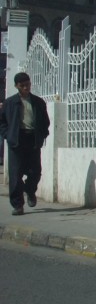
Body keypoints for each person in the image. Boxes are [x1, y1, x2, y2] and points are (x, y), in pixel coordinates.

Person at [1, 72, 51, 216]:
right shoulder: (10, 103)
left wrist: (42, 135)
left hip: (32, 139)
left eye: (27, 84)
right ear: (17, 86)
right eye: (22, 85)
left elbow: (45, 122)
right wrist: (7, 135)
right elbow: (2, 122)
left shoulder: (38, 102)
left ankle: (29, 190)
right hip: (16, 140)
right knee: (15, 175)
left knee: (35, 172)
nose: (25, 88)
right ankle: (17, 205)